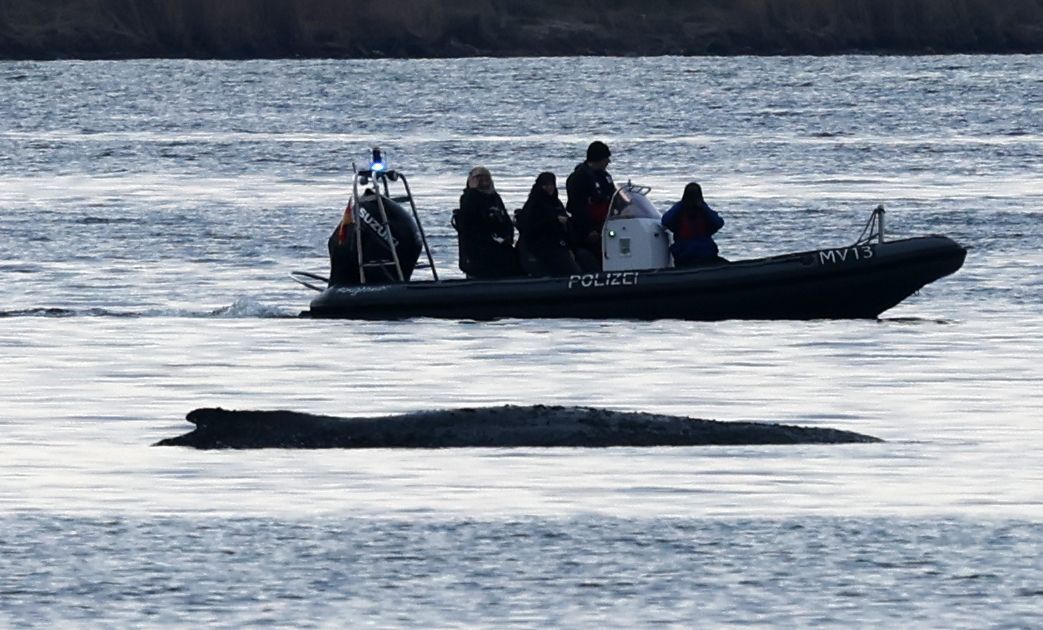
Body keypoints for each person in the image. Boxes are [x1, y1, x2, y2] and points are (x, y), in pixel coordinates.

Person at [452, 166, 521, 279]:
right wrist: (473, 191)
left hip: (499, 246)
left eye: (486, 178)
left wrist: (507, 237)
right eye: (479, 178)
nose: (483, 182)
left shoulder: (495, 198)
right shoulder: (468, 198)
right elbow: (470, 225)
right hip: (479, 251)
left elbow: (506, 220)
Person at [516, 172, 582, 277]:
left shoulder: (556, 202)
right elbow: (530, 226)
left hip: (557, 243)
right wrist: (554, 221)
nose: (549, 188)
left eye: (551, 185)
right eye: (545, 185)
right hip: (540, 246)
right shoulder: (534, 204)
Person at [565, 141, 616, 269]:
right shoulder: (579, 178)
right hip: (588, 229)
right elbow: (577, 207)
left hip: (607, 224)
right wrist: (588, 230)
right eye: (605, 159)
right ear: (598, 159)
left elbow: (614, 198)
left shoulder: (605, 177)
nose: (608, 162)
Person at [661, 182, 727, 267]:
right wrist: (701, 206)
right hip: (695, 256)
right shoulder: (683, 211)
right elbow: (666, 220)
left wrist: (700, 206)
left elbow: (718, 223)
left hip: (695, 255)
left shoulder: (683, 210)